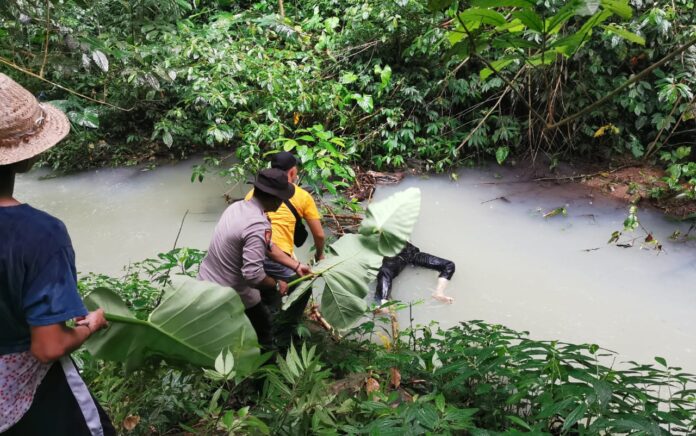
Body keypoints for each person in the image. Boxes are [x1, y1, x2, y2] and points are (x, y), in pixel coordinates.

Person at [0, 73, 115, 435]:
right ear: (25, 157)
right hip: (27, 395)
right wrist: (91, 325)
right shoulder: (40, 234)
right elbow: (48, 346)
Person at [198, 168, 309, 350]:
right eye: (282, 199)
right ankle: (265, 372)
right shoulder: (257, 225)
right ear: (274, 198)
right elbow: (253, 275)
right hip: (231, 292)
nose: (282, 203)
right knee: (264, 335)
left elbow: (269, 247)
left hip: (207, 281)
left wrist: (296, 265)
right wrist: (276, 284)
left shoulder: (237, 207)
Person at [245, 151, 325, 282]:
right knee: (302, 286)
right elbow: (319, 235)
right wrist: (319, 254)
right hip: (278, 254)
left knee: (265, 290)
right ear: (293, 172)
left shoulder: (253, 193)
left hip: (252, 253)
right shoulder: (303, 196)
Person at [375, 242, 456, 309]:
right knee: (385, 271)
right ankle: (383, 303)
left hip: (412, 253)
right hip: (395, 257)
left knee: (449, 265)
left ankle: (439, 292)